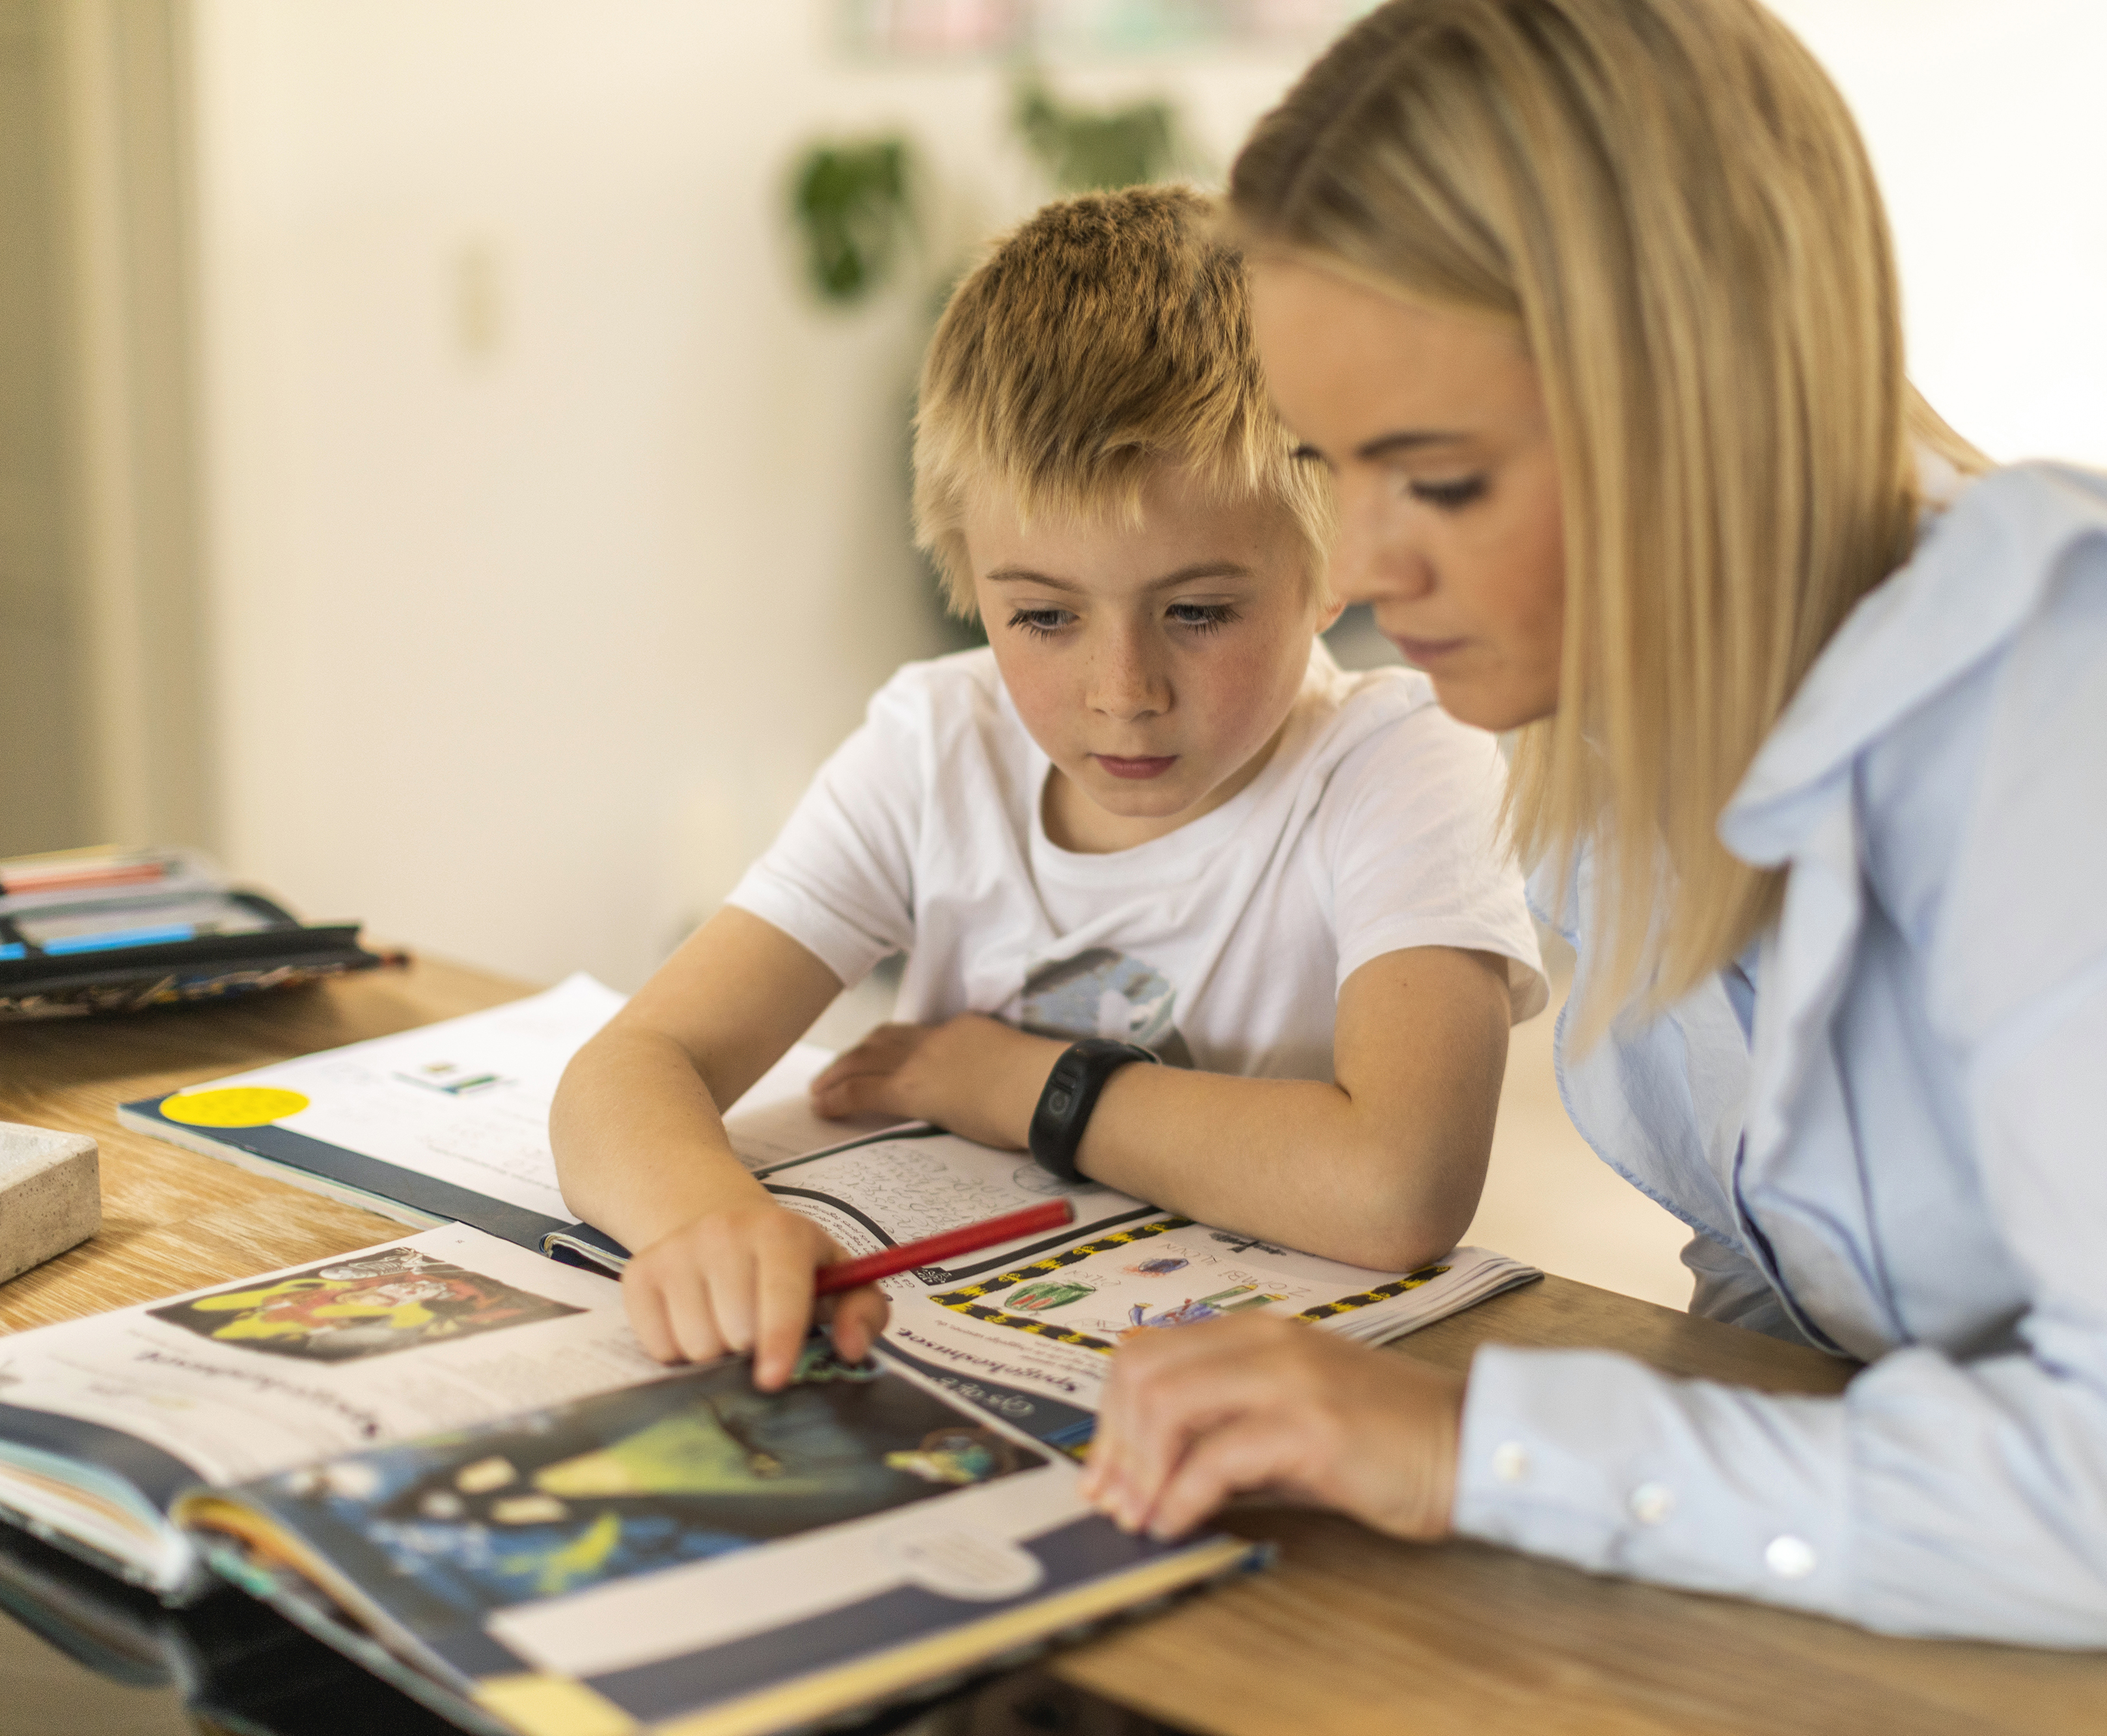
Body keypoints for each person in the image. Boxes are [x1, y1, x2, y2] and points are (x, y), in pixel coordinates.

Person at [1081, 0, 2107, 1651]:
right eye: (1333, 469)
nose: (1366, 572)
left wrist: (1481, 1447)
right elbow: (1787, 1306)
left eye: (1437, 479)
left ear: (1695, 397)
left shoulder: (2091, 691)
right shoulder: (1602, 743)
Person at [551, 186, 1547, 1392]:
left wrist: (1011, 1081)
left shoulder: (1405, 759)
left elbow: (1397, 1184)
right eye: (1044, 615)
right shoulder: (935, 741)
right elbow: (628, 1069)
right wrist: (710, 1224)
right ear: (968, 576)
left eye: (1197, 612)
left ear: (1336, 566)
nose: (1122, 691)